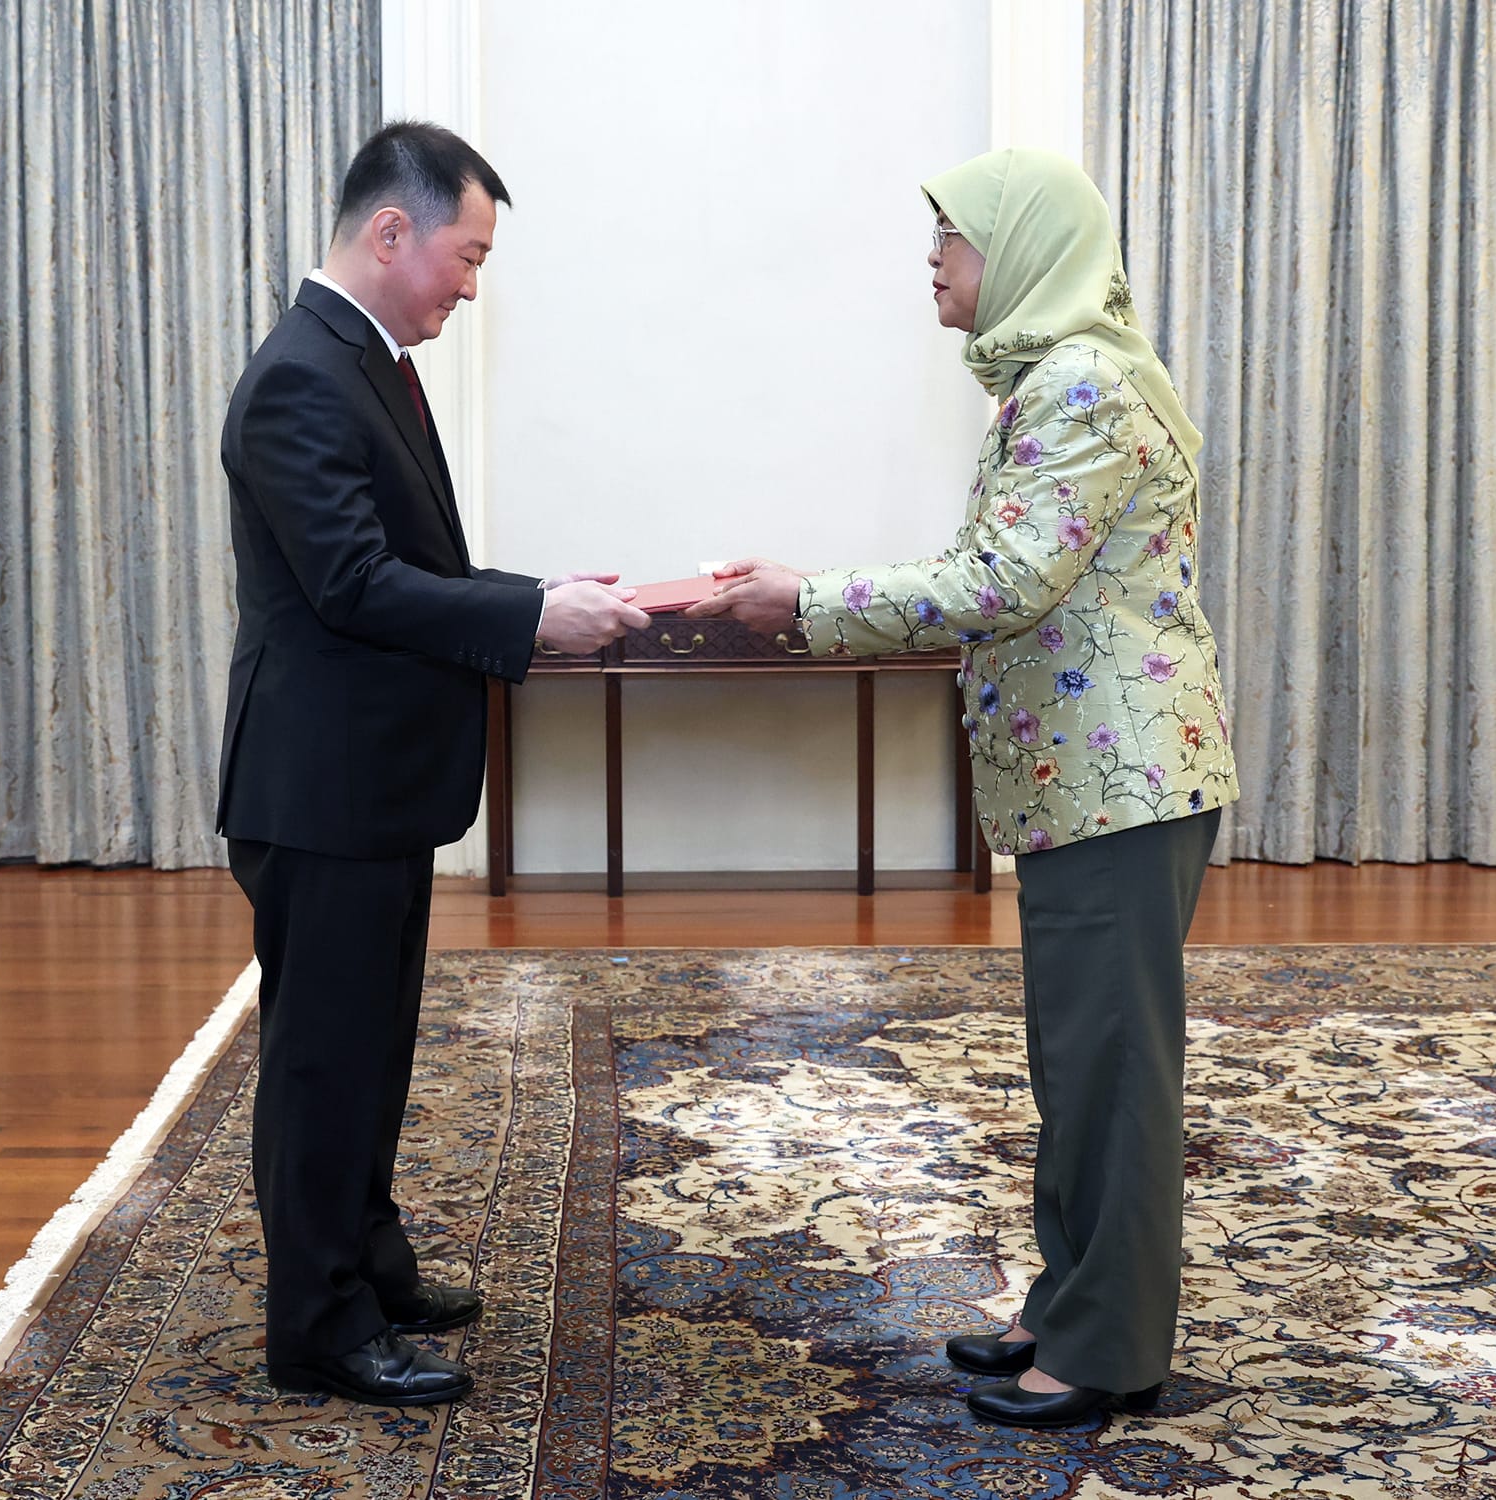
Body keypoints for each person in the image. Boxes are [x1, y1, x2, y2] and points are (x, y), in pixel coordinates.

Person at [690, 146, 1240, 1429]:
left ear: (1026, 246)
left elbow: (1001, 581)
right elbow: (995, 568)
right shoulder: (1053, 380)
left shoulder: (1087, 386)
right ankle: (1070, 1306)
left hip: (1122, 782)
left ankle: (1108, 1352)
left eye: (953, 235)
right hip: (1085, 783)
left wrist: (806, 603)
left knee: (1112, 1070)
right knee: (1078, 1059)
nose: (934, 259)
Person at [216, 120, 647, 1406]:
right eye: (466, 255)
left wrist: (541, 593)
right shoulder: (302, 374)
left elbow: (421, 574)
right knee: (323, 1059)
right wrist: (527, 623)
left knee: (373, 1044)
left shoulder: (366, 360)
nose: (472, 284)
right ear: (391, 232)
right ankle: (319, 1329)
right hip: (322, 785)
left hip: (373, 783)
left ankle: (368, 1259)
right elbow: (352, 585)